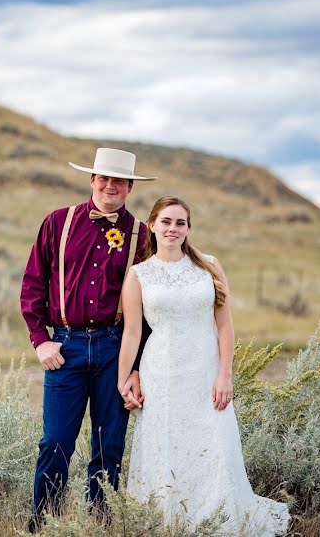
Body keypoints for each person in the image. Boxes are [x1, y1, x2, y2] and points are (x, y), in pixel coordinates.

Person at [117, 196, 290, 536]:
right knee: (166, 445)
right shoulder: (138, 275)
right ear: (152, 225)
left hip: (206, 370)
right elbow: (133, 332)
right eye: (166, 221)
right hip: (161, 371)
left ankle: (219, 519)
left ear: (188, 229)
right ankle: (168, 519)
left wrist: (224, 374)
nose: (172, 228)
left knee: (215, 444)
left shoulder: (209, 266)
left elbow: (224, 326)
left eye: (180, 223)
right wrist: (125, 379)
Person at [20, 147, 156, 531]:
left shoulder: (142, 236)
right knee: (56, 442)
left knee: (108, 444)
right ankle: (44, 523)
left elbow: (149, 307)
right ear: (92, 180)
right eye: (104, 178)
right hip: (66, 347)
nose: (110, 186)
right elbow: (33, 283)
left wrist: (137, 367)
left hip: (117, 348)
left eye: (119, 181)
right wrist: (39, 339)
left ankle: (100, 522)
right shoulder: (57, 223)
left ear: (129, 187)